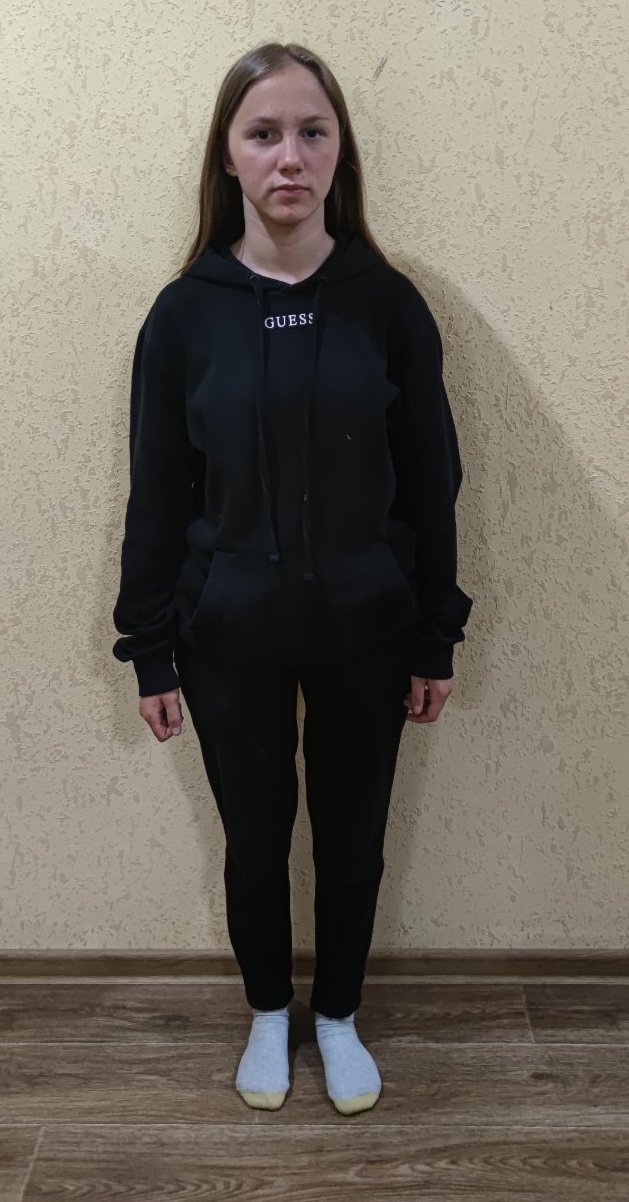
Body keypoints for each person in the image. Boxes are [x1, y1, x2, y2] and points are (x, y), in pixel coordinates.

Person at [112, 41, 473, 1116]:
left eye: (312, 132)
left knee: (352, 841)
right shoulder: (184, 315)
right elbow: (157, 491)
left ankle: (339, 1014)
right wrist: (149, 646)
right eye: (262, 133)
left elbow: (434, 482)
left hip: (367, 628)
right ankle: (269, 1010)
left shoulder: (387, 305)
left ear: (339, 150)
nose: (289, 157)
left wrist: (434, 634)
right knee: (256, 840)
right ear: (227, 156)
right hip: (229, 635)